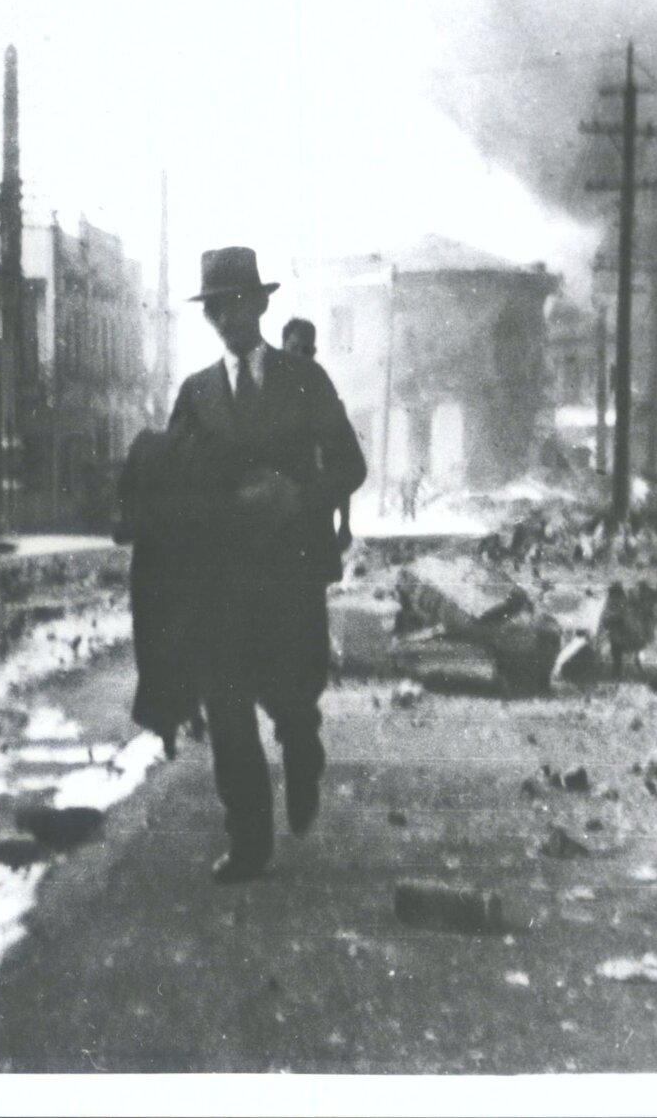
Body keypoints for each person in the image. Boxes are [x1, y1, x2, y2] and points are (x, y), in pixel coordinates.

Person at [170, 249, 367, 883]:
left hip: (291, 575)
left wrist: (296, 496)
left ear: (261, 304)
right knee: (227, 710)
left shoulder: (304, 381)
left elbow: (349, 465)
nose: (227, 317)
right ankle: (249, 840)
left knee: (291, 700)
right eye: (215, 308)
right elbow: (173, 487)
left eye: (237, 302)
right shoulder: (195, 395)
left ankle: (303, 752)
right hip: (222, 583)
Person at [279, 317, 353, 557]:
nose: (300, 356)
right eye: (293, 348)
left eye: (307, 350)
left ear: (314, 352)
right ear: (283, 347)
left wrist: (345, 523)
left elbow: (341, 462)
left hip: (314, 514)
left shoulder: (324, 395)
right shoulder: (267, 392)